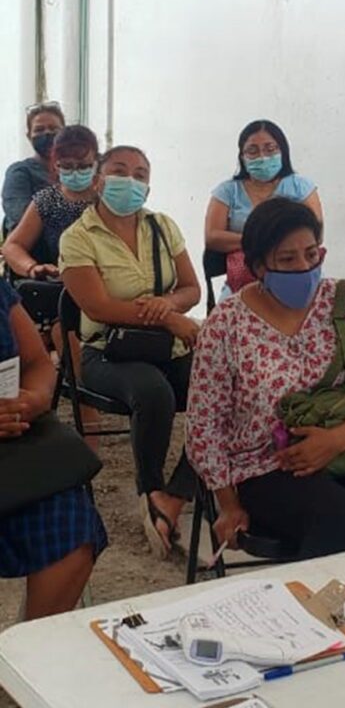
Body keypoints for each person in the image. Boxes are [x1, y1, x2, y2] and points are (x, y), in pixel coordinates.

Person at [187, 197, 345, 559]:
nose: (303, 268)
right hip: (262, 465)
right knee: (338, 519)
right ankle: (315, 597)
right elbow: (204, 425)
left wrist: (336, 441)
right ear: (259, 266)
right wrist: (228, 504)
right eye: (287, 259)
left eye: (311, 255)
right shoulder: (226, 324)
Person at [60, 145, 201, 559]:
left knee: (224, 387)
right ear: (99, 180)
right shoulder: (78, 237)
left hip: (164, 345)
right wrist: (168, 317)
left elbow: (190, 289)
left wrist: (168, 306)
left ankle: (178, 493)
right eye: (120, 171)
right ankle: (150, 489)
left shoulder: (162, 227)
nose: (130, 181)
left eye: (140, 175)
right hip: (106, 352)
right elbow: (98, 307)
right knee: (154, 392)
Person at [0, 278, 106, 619]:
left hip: (11, 447)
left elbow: (38, 364)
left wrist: (33, 399)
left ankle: (25, 645)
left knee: (72, 530)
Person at [205, 120, 322, 295]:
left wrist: (261, 243)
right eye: (253, 151)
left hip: (298, 275)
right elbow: (213, 237)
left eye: (270, 149)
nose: (262, 157)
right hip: (242, 281)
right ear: (242, 156)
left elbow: (316, 234)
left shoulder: (301, 188)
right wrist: (267, 241)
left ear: (283, 151)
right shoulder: (227, 191)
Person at [2, 125, 99, 280]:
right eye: (66, 166)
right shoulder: (47, 200)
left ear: (96, 163)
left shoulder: (108, 197)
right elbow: (12, 246)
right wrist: (32, 267)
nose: (75, 172)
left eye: (83, 166)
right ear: (55, 165)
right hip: (63, 283)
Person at [3, 101, 65, 255]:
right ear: (29, 136)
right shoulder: (20, 172)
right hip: (34, 258)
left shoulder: (78, 171)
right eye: (39, 129)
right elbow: (20, 216)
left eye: (53, 128)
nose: (47, 133)